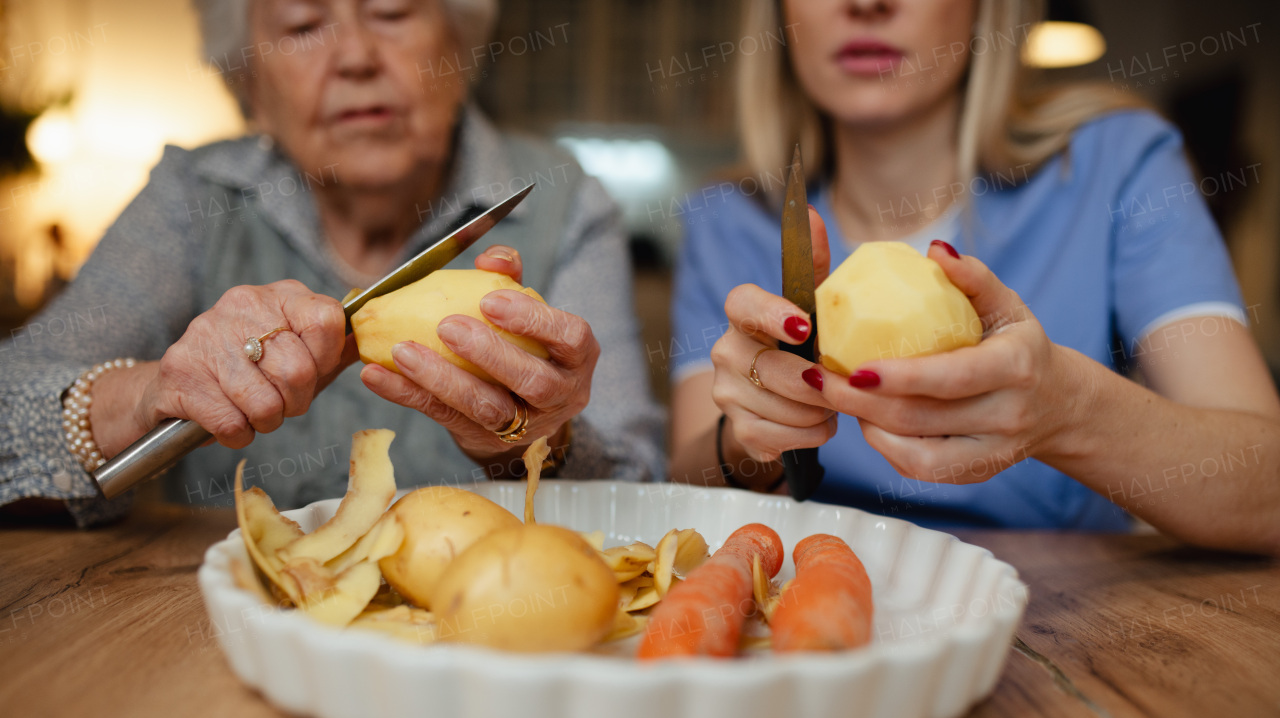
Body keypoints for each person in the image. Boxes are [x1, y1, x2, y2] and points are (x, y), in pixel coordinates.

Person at [0, 0, 663, 526]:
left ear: (459, 49)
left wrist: (532, 446)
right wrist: (144, 395)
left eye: (394, 11)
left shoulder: (564, 200)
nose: (355, 57)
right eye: (302, 23)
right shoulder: (192, 198)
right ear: (248, 78)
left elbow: (639, 493)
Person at [668, 0, 1280, 554]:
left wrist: (1070, 410)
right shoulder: (729, 215)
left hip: (1071, 620)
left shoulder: (1117, 162)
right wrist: (747, 438)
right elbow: (683, 489)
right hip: (821, 592)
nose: (866, 4)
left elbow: (1268, 491)